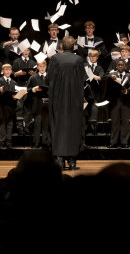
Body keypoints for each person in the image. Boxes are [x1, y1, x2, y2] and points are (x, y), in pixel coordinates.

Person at [47, 35, 87, 170]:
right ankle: (72, 161)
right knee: (74, 127)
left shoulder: (55, 58)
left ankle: (59, 160)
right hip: (75, 100)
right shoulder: (78, 59)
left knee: (58, 126)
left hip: (58, 99)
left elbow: (49, 78)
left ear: (61, 47)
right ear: (74, 47)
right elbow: (83, 79)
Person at [103, 59, 130, 148]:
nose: (120, 66)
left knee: (125, 123)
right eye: (119, 65)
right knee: (115, 123)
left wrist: (127, 91)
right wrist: (111, 79)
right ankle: (113, 142)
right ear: (116, 67)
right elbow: (104, 79)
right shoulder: (112, 75)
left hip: (126, 102)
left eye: (122, 65)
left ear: (125, 66)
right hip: (115, 102)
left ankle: (124, 142)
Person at [11, 47, 37, 136]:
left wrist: (34, 75)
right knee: (19, 107)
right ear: (21, 51)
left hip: (29, 87)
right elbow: (11, 74)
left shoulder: (33, 62)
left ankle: (27, 127)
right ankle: (20, 128)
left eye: (27, 50)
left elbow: (36, 75)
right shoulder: (16, 61)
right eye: (24, 50)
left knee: (28, 108)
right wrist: (17, 73)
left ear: (29, 52)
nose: (26, 52)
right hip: (19, 86)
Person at [26, 59, 51, 149]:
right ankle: (36, 143)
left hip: (48, 105)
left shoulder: (50, 77)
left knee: (46, 126)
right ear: (37, 67)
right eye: (40, 66)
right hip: (37, 105)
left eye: (44, 66)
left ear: (46, 66)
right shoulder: (33, 78)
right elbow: (27, 90)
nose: (42, 68)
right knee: (37, 125)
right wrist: (33, 89)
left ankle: (46, 143)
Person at [83, 49, 105, 147]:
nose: (92, 58)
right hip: (85, 96)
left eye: (94, 56)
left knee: (94, 117)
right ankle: (83, 142)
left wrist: (96, 78)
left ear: (97, 57)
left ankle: (94, 142)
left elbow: (102, 77)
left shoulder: (99, 68)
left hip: (95, 95)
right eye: (91, 56)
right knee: (83, 119)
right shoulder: (85, 66)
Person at [0, 64, 18, 149]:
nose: (7, 71)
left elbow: (16, 92)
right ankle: (1, 142)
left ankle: (9, 142)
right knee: (2, 125)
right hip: (1, 106)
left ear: (11, 71)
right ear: (2, 71)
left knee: (10, 124)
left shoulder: (13, 82)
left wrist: (17, 96)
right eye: (5, 70)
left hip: (11, 106)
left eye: (9, 69)